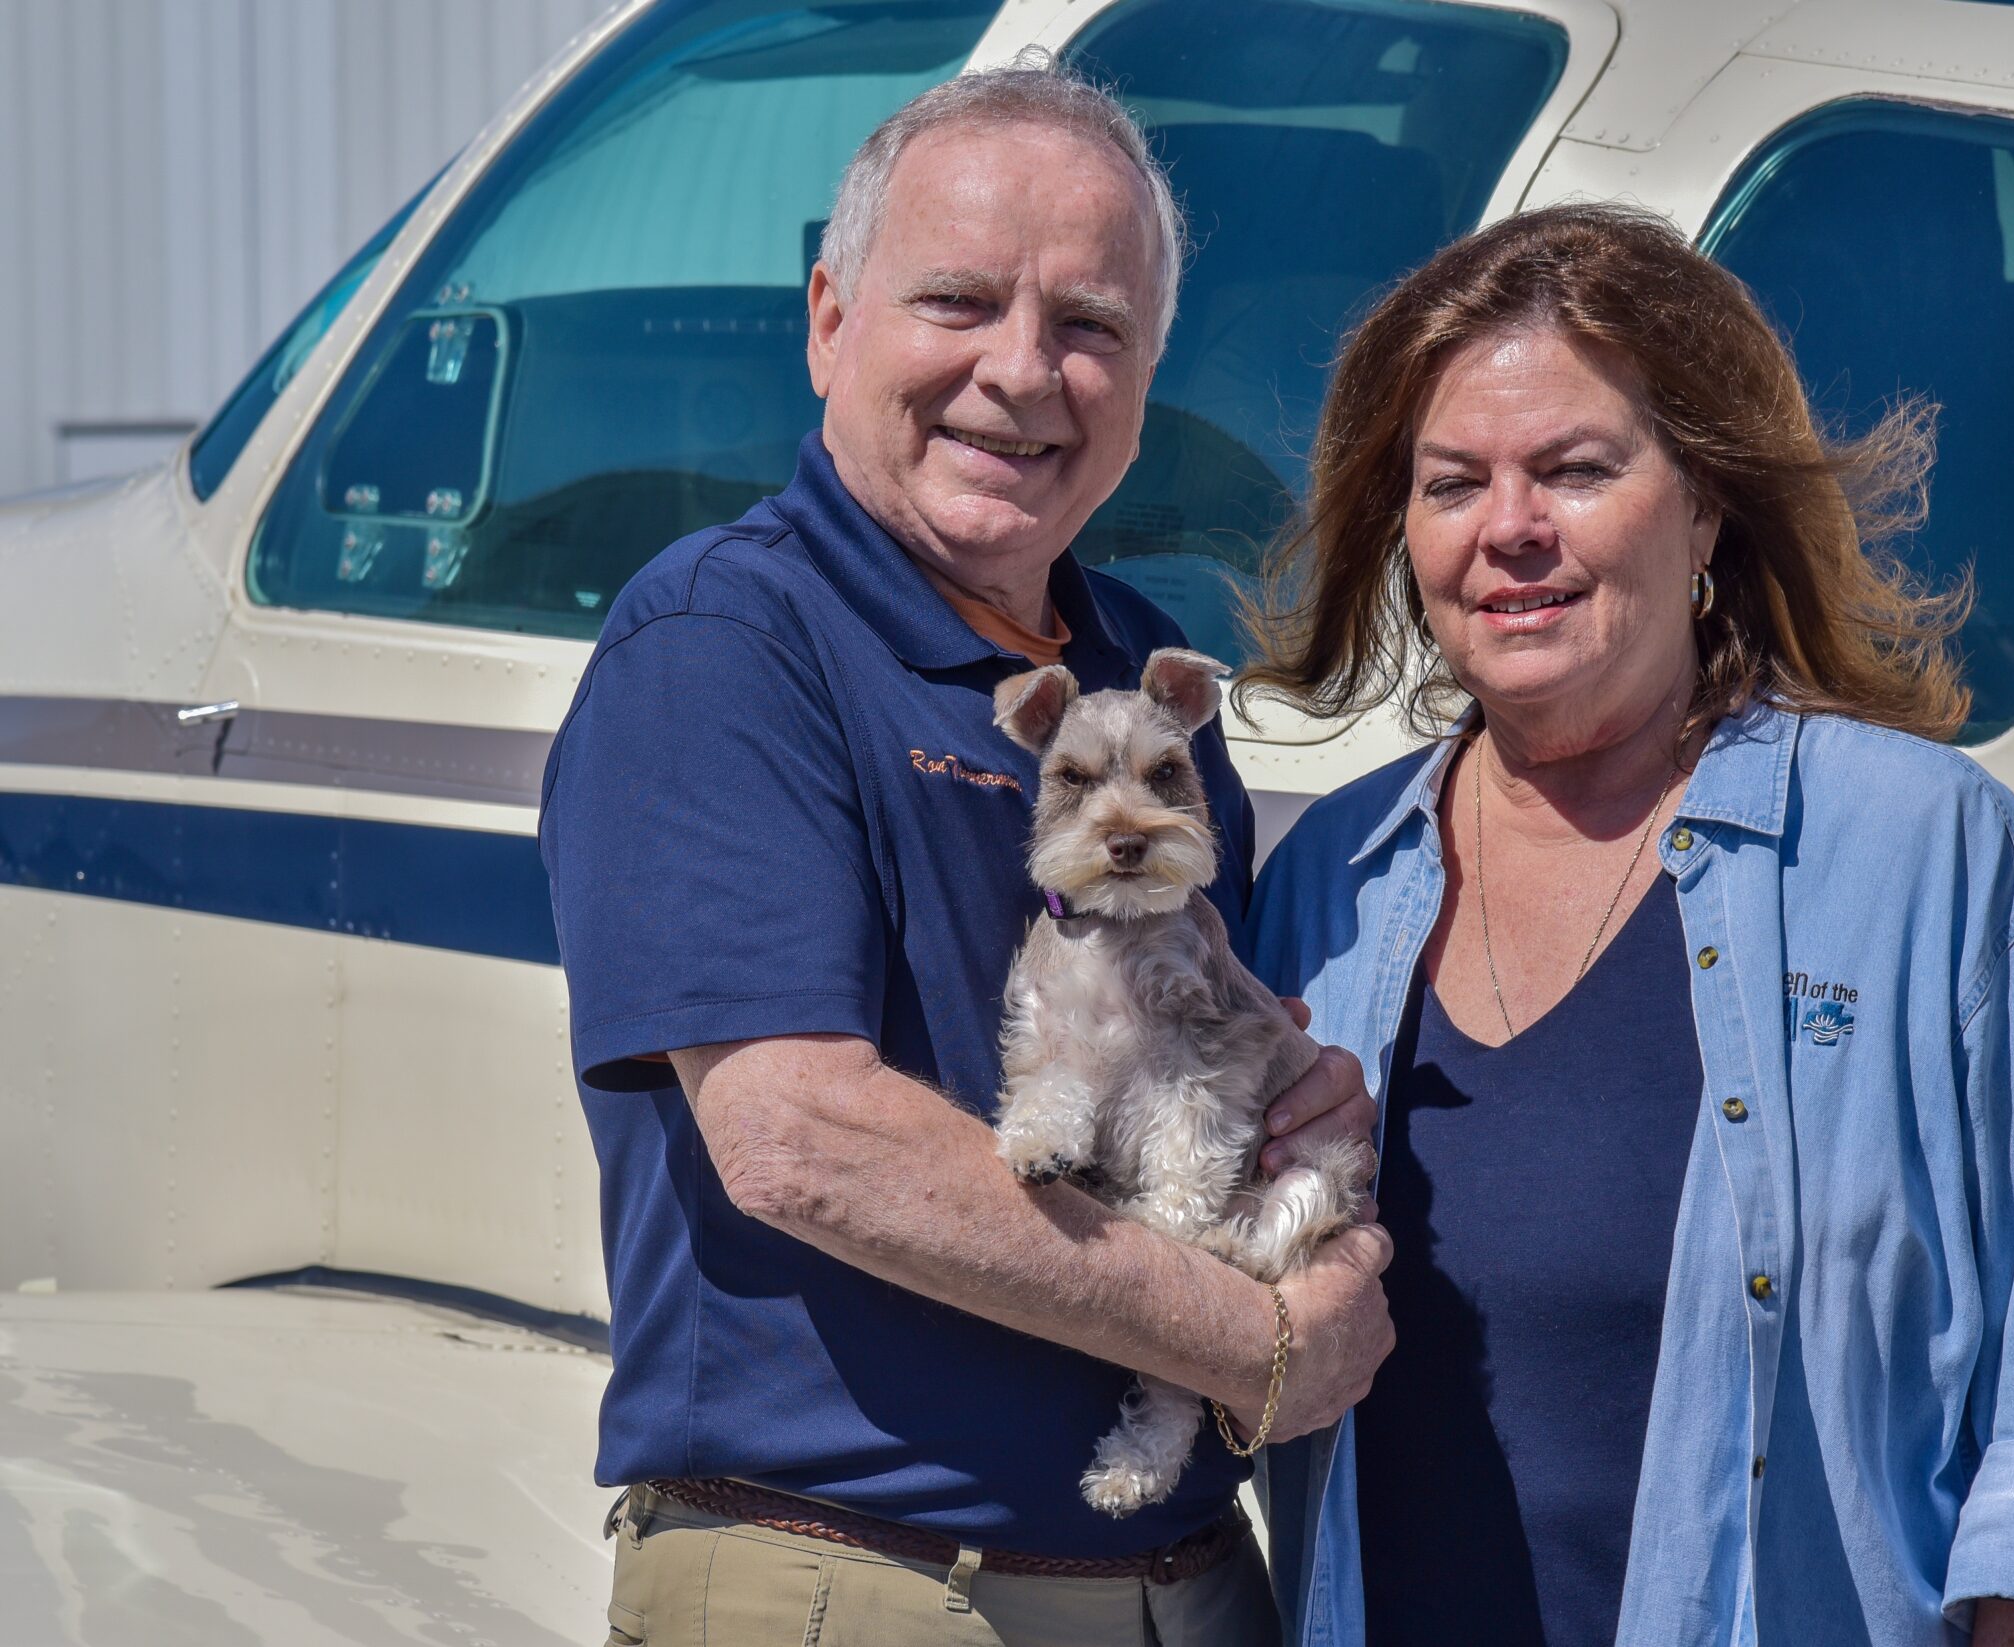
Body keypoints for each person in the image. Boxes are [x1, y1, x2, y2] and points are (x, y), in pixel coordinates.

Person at [1240, 203, 2014, 1647]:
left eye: (1575, 470)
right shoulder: (1328, 881)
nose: (1511, 529)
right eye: (1454, 484)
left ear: (1705, 505)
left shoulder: (1928, 853)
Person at [540, 62, 1390, 1647]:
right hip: (859, 1578)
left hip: (1184, 1583)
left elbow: (1202, 1033)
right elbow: (799, 1137)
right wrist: (1254, 1337)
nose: (1023, 373)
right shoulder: (726, 641)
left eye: (1090, 327)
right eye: (956, 302)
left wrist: (1301, 1112)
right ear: (827, 323)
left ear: (1143, 379)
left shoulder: (1144, 671)